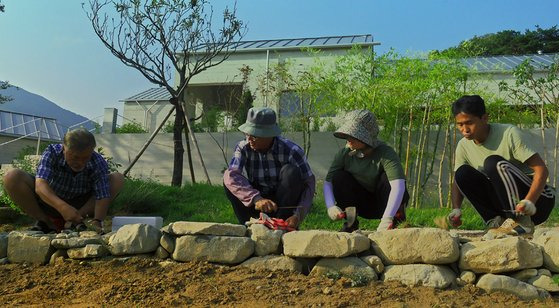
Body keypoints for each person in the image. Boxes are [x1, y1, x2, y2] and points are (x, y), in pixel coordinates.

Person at [448, 95, 555, 235]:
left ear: (484, 118)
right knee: (462, 173)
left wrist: (529, 201)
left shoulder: (509, 134)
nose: (464, 129)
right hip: (504, 203)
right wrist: (456, 209)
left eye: (469, 123)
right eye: (460, 124)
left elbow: (542, 170)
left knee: (493, 163)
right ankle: (495, 220)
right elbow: (458, 181)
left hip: (538, 201)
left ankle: (521, 222)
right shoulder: (463, 146)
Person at [2, 128, 124, 233]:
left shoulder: (97, 161)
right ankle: (45, 222)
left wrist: (97, 221)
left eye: (85, 158)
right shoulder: (52, 153)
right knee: (12, 177)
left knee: (117, 178)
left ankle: (75, 222)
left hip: (82, 205)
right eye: (75, 157)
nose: (80, 162)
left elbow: (102, 195)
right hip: (50, 201)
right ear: (64, 149)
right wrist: (62, 207)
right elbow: (40, 185)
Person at [224, 107, 315, 229]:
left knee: (291, 172)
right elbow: (231, 175)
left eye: (254, 136)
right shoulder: (243, 147)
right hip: (255, 201)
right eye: (247, 134)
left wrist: (297, 215)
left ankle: (282, 225)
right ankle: (248, 225)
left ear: (269, 135)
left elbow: (309, 185)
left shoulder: (292, 151)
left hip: (282, 201)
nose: (249, 139)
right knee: (229, 178)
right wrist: (256, 198)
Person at [324, 109, 409, 232]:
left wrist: (387, 218)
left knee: (387, 179)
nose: (348, 139)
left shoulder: (386, 153)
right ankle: (351, 222)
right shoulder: (344, 154)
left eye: (352, 135)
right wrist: (330, 205)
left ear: (365, 137)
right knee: (339, 177)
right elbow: (328, 182)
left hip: (385, 203)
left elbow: (398, 187)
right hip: (363, 204)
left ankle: (395, 220)